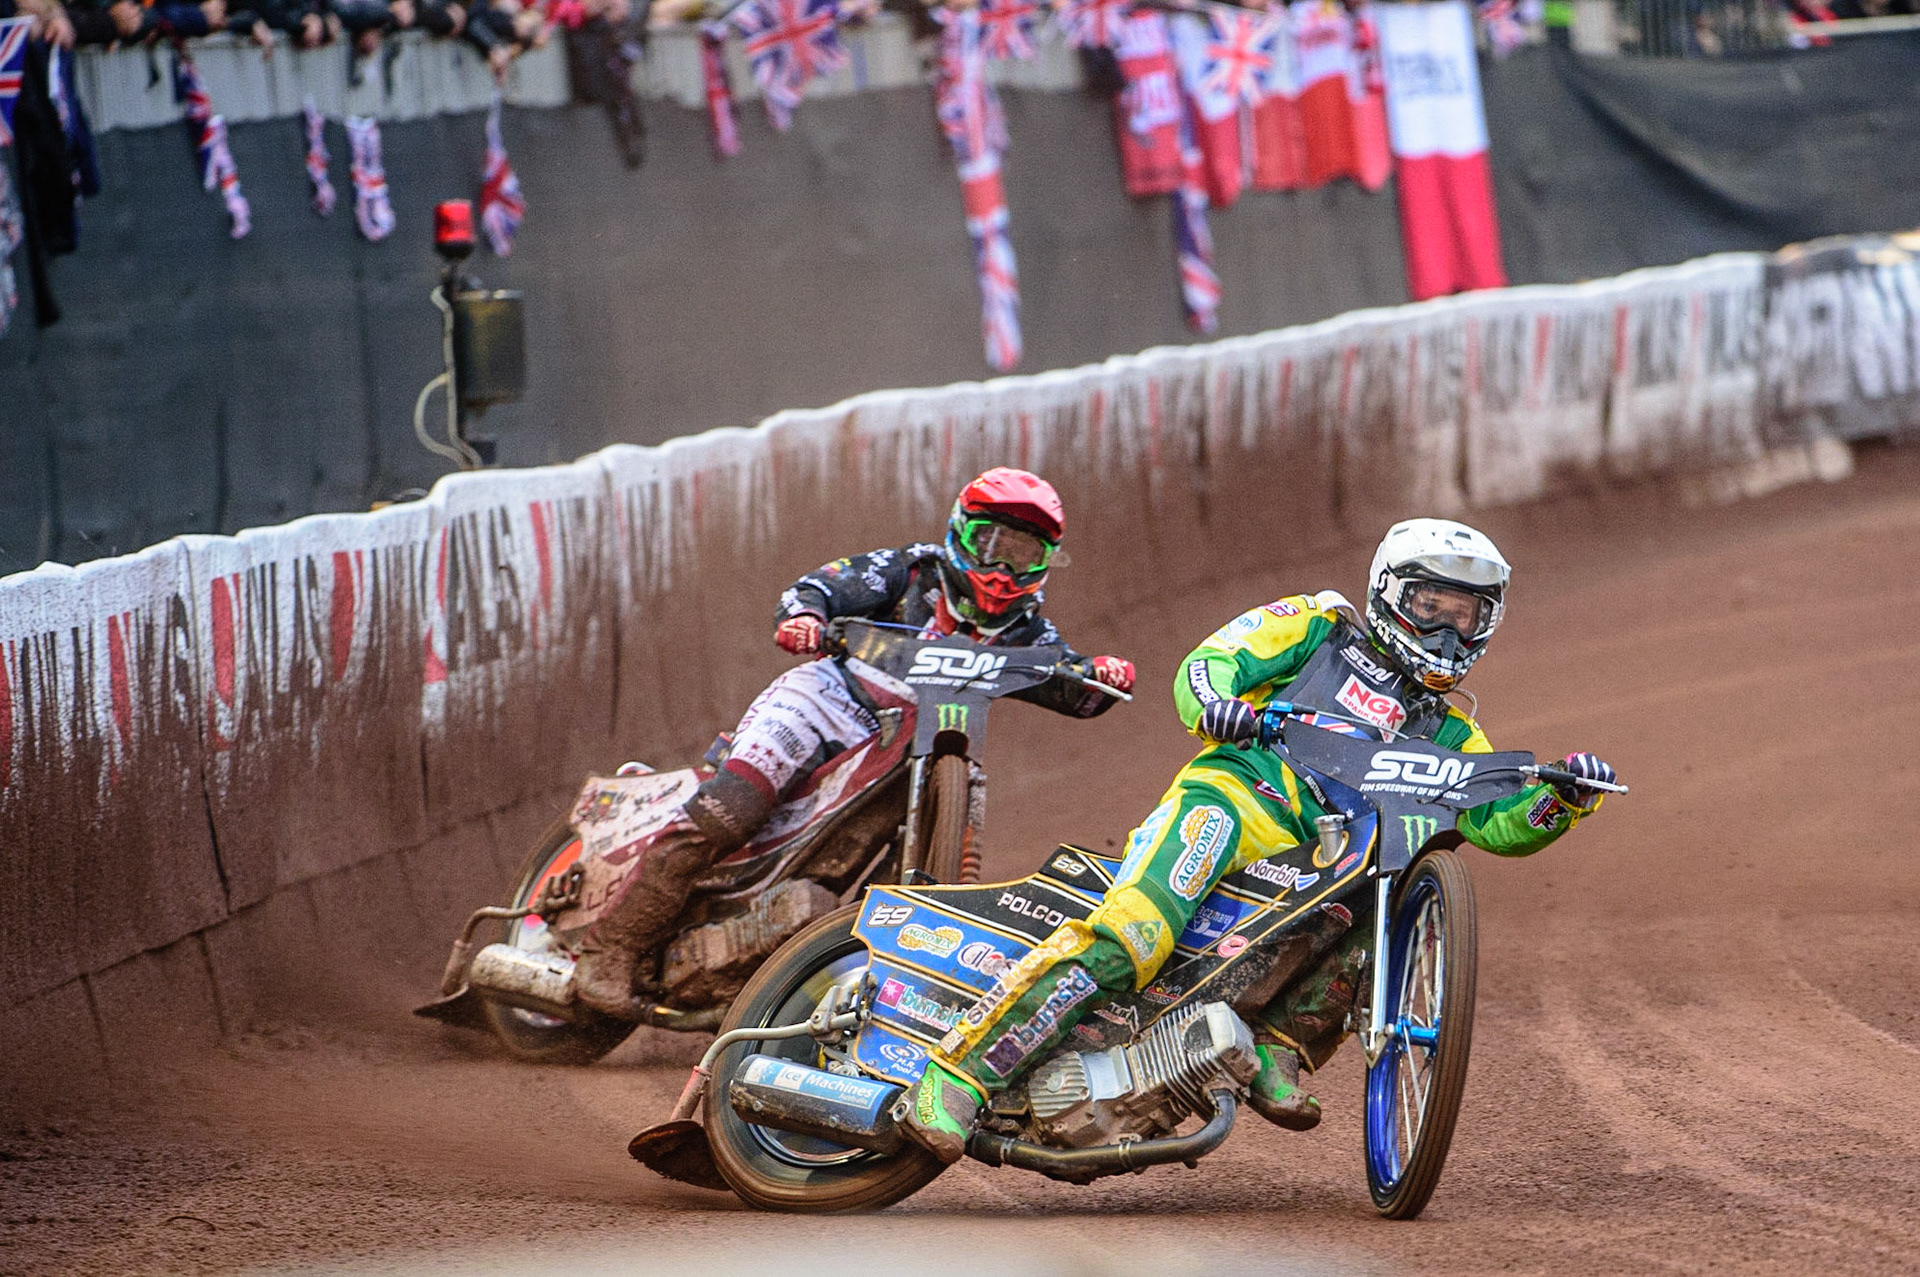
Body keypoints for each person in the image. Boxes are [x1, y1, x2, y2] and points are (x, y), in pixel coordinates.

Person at [900, 517, 1620, 1161]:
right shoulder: (1322, 626)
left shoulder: (1456, 732)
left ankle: (1280, 1042)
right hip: (1239, 796)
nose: (1444, 634)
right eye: (1430, 607)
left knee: (1399, 887)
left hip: (1325, 861)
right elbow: (1211, 663)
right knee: (1133, 936)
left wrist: (1562, 799)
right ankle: (957, 1073)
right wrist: (1217, 705)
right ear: (1389, 594)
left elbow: (1494, 820)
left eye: (1465, 617)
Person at [572, 467, 1137, 1017]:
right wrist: (808, 619)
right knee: (735, 806)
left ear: (1045, 562)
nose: (1001, 564)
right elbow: (816, 588)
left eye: (1021, 552)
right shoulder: (911, 572)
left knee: (922, 819)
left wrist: (1104, 675)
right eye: (989, 543)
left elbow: (1075, 686)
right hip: (826, 700)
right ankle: (610, 948)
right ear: (959, 533)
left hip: (916, 742)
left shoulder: (1027, 631)